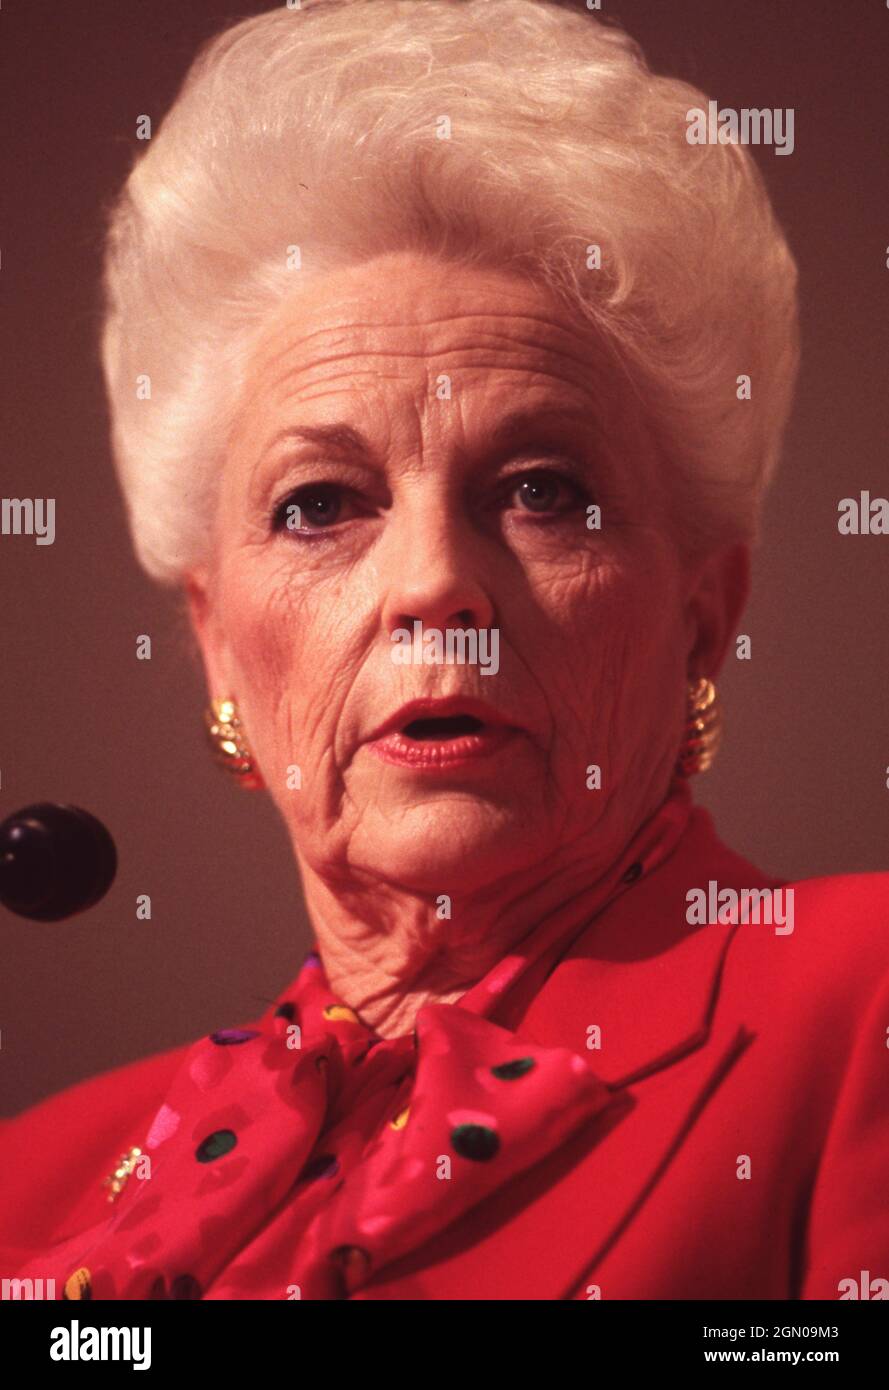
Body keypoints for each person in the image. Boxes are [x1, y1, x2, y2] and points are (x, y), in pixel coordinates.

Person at [2, 0, 887, 1301]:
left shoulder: (863, 1006)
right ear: (217, 648)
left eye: (538, 488)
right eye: (318, 504)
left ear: (703, 613)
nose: (431, 583)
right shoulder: (33, 1176)